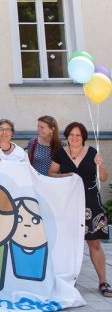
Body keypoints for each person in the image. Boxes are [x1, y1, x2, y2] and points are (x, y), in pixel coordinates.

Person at [49, 122, 112, 297]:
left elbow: (104, 178)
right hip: (68, 204)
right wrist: (64, 175)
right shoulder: (60, 153)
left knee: (94, 243)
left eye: (78, 135)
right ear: (67, 136)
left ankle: (103, 281)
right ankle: (67, 279)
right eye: (71, 135)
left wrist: (100, 165)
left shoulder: (92, 153)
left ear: (83, 137)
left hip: (91, 203)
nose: (74, 138)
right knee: (67, 243)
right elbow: (51, 173)